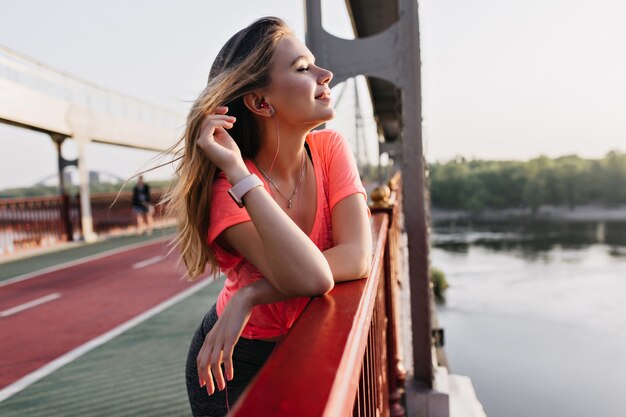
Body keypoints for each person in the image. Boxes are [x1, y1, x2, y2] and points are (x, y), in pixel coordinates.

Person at [165, 17, 372, 416]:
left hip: (309, 338)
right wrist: (241, 174)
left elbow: (358, 257)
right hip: (237, 361)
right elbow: (313, 278)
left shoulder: (329, 149)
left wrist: (253, 293)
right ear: (261, 103)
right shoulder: (228, 191)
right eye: (303, 69)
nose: (325, 75)